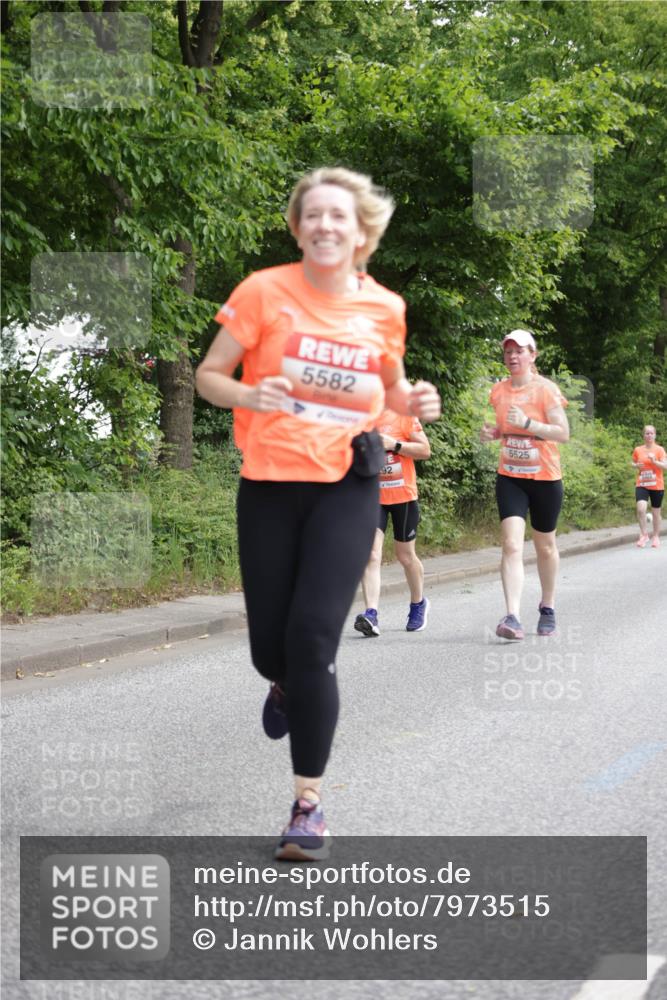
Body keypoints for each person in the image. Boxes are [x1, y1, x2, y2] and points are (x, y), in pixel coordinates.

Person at [195, 167, 441, 861]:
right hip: (269, 483)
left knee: (312, 640)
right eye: (313, 215)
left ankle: (308, 806)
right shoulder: (262, 291)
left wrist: (414, 404)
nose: (325, 226)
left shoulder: (384, 308)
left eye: (339, 216)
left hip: (346, 483)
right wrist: (250, 395)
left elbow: (389, 388)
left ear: (362, 230)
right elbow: (210, 376)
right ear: (298, 226)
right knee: (270, 650)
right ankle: (281, 682)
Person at [480, 329, 569, 640]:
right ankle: (513, 616)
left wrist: (529, 423)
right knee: (512, 544)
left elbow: (563, 432)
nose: (513, 356)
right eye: (508, 351)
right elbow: (508, 429)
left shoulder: (546, 390)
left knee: (545, 546)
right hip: (511, 477)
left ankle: (547, 606)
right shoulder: (498, 391)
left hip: (545, 478)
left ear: (533, 355)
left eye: (520, 351)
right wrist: (496, 433)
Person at [354, 408, 431, 636]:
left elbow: (425, 450)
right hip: (373, 498)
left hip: (403, 497)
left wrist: (394, 444)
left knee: (405, 556)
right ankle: (371, 614)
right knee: (371, 554)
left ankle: (418, 604)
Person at [631, 425, 666, 548]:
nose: (649, 435)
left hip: (657, 485)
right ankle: (644, 535)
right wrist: (636, 466)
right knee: (641, 509)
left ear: (655, 435)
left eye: (651, 433)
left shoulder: (660, 450)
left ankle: (656, 536)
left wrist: (655, 461)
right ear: (643, 435)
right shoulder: (638, 450)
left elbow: (665, 466)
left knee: (656, 513)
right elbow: (633, 463)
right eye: (647, 433)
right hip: (642, 484)